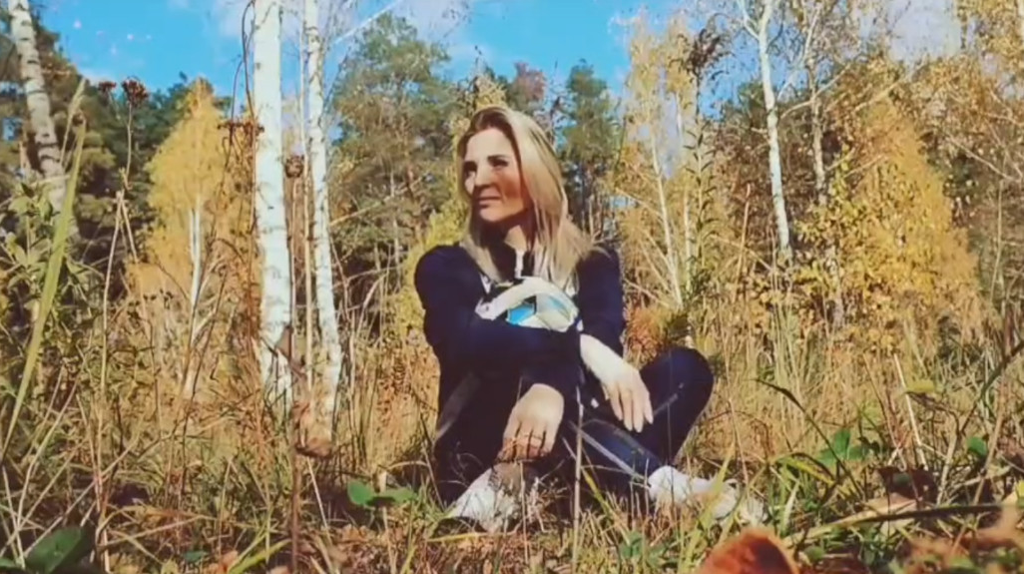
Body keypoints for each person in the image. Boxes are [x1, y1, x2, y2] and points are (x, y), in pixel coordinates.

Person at [413, 105, 763, 532]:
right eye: (470, 169)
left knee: (685, 370)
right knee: (543, 383)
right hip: (482, 447)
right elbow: (464, 339)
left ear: (535, 169)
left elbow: (605, 338)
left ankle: (561, 489)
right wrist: (567, 359)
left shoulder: (593, 263)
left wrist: (570, 374)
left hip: (577, 429)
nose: (479, 180)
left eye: (498, 163)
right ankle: (668, 490)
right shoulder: (448, 266)